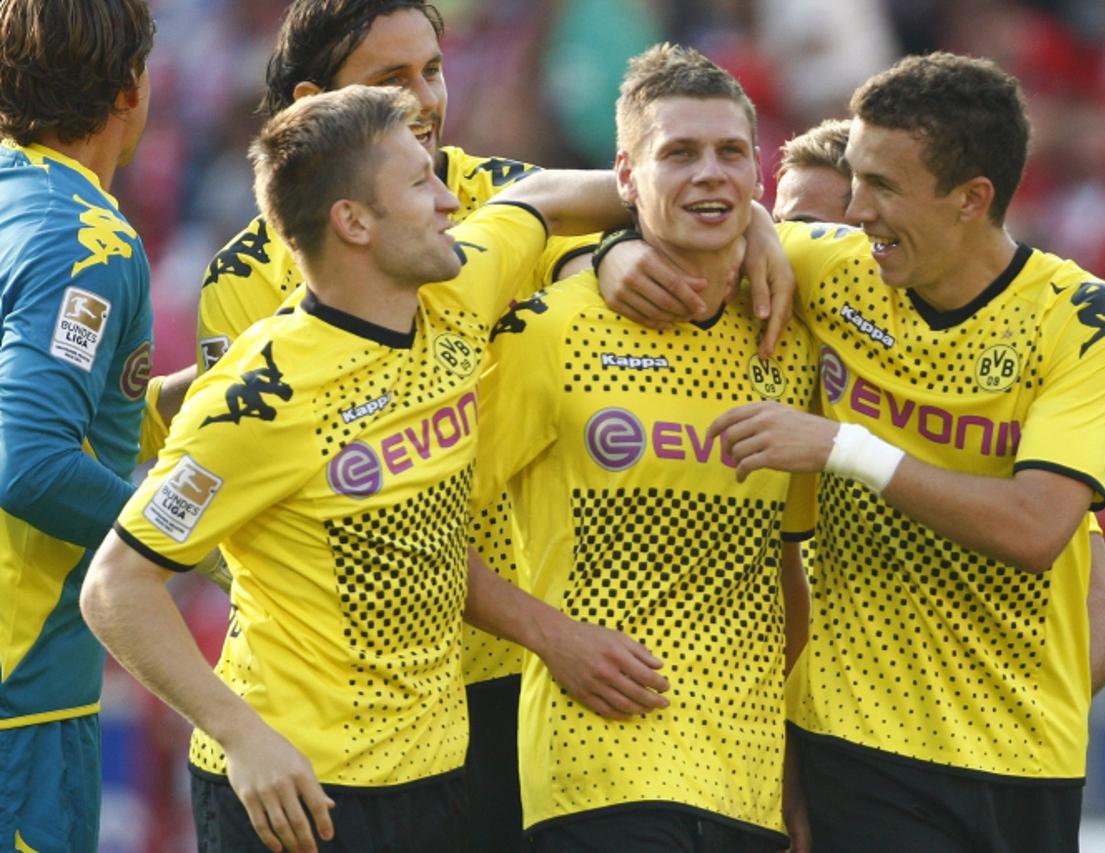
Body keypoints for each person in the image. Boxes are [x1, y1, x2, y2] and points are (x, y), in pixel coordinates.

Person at [193, 6, 793, 849]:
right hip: (347, 712)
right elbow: (227, 525)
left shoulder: (485, 193)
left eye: (432, 70)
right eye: (389, 80)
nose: (425, 99)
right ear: (312, 104)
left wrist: (647, 240)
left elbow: (627, 192)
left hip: (515, 675)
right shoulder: (249, 281)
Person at [81, 85, 671, 853]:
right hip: (298, 793)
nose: (451, 201)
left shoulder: (458, 285)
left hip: (435, 779)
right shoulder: (261, 398)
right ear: (353, 221)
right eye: (421, 183)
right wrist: (242, 737)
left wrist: (690, 213)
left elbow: (544, 197)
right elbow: (116, 587)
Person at [708, 53, 1105, 850]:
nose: (855, 210)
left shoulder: (1077, 315)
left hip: (1024, 753)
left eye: (882, 187)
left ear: (972, 198)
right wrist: (636, 252)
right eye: (853, 179)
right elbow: (671, 214)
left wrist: (844, 446)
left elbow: (1037, 528)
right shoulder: (836, 269)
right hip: (858, 736)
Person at [475, 43, 817, 853]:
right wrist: (551, 636)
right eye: (679, 154)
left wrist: (794, 768)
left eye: (731, 153)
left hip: (745, 778)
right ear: (624, 178)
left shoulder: (789, 345)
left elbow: (785, 571)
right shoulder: (549, 330)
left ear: (758, 177)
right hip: (596, 767)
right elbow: (420, 529)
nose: (710, 174)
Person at [769, 116, 1105, 696]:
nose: (783, 246)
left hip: (919, 730)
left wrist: (1017, 718)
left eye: (814, 229)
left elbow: (1102, 600)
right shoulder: (744, 357)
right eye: (777, 225)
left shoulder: (954, 377)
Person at [0, 2, 155, 850]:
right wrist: (193, 538)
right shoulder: (83, 239)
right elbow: (34, 464)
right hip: (21, 707)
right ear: (130, 88)